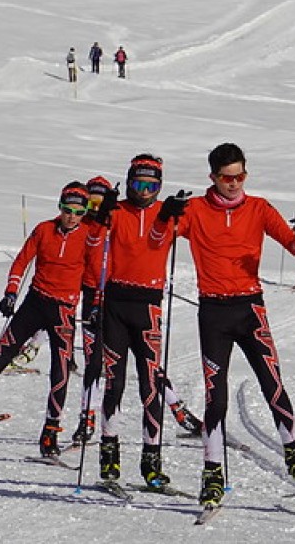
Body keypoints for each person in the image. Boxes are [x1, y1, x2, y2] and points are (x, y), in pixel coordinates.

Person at [158, 142, 295, 509]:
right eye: (226, 177)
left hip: (250, 309)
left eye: (240, 176)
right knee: (215, 397)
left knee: (272, 382)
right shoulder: (196, 210)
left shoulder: (259, 208)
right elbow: (159, 239)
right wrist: (165, 216)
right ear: (213, 177)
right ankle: (212, 473)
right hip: (213, 312)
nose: (234, 184)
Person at [0, 182, 102, 458]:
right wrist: (11, 293)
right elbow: (21, 262)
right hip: (35, 302)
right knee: (1, 355)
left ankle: (51, 430)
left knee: (60, 370)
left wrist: (96, 306)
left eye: (78, 211)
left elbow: (94, 276)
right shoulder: (44, 230)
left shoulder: (89, 235)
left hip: (63, 309)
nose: (72, 216)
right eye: (67, 210)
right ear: (59, 207)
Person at [94, 154, 201, 489]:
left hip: (148, 306)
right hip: (115, 302)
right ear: (128, 182)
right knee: (114, 383)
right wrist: (101, 214)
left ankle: (151, 463)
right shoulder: (117, 211)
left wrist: (170, 215)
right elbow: (93, 242)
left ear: (160, 187)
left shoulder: (166, 215)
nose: (143, 192)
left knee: (150, 385)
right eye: (138, 184)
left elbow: (163, 242)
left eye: (151, 186)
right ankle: (109, 459)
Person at [70, 175, 116, 445]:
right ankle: (86, 418)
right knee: (93, 361)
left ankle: (176, 407)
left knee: (137, 356)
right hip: (90, 296)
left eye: (101, 200)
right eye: (92, 201)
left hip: (117, 295)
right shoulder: (82, 225)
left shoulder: (114, 220)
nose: (95, 206)